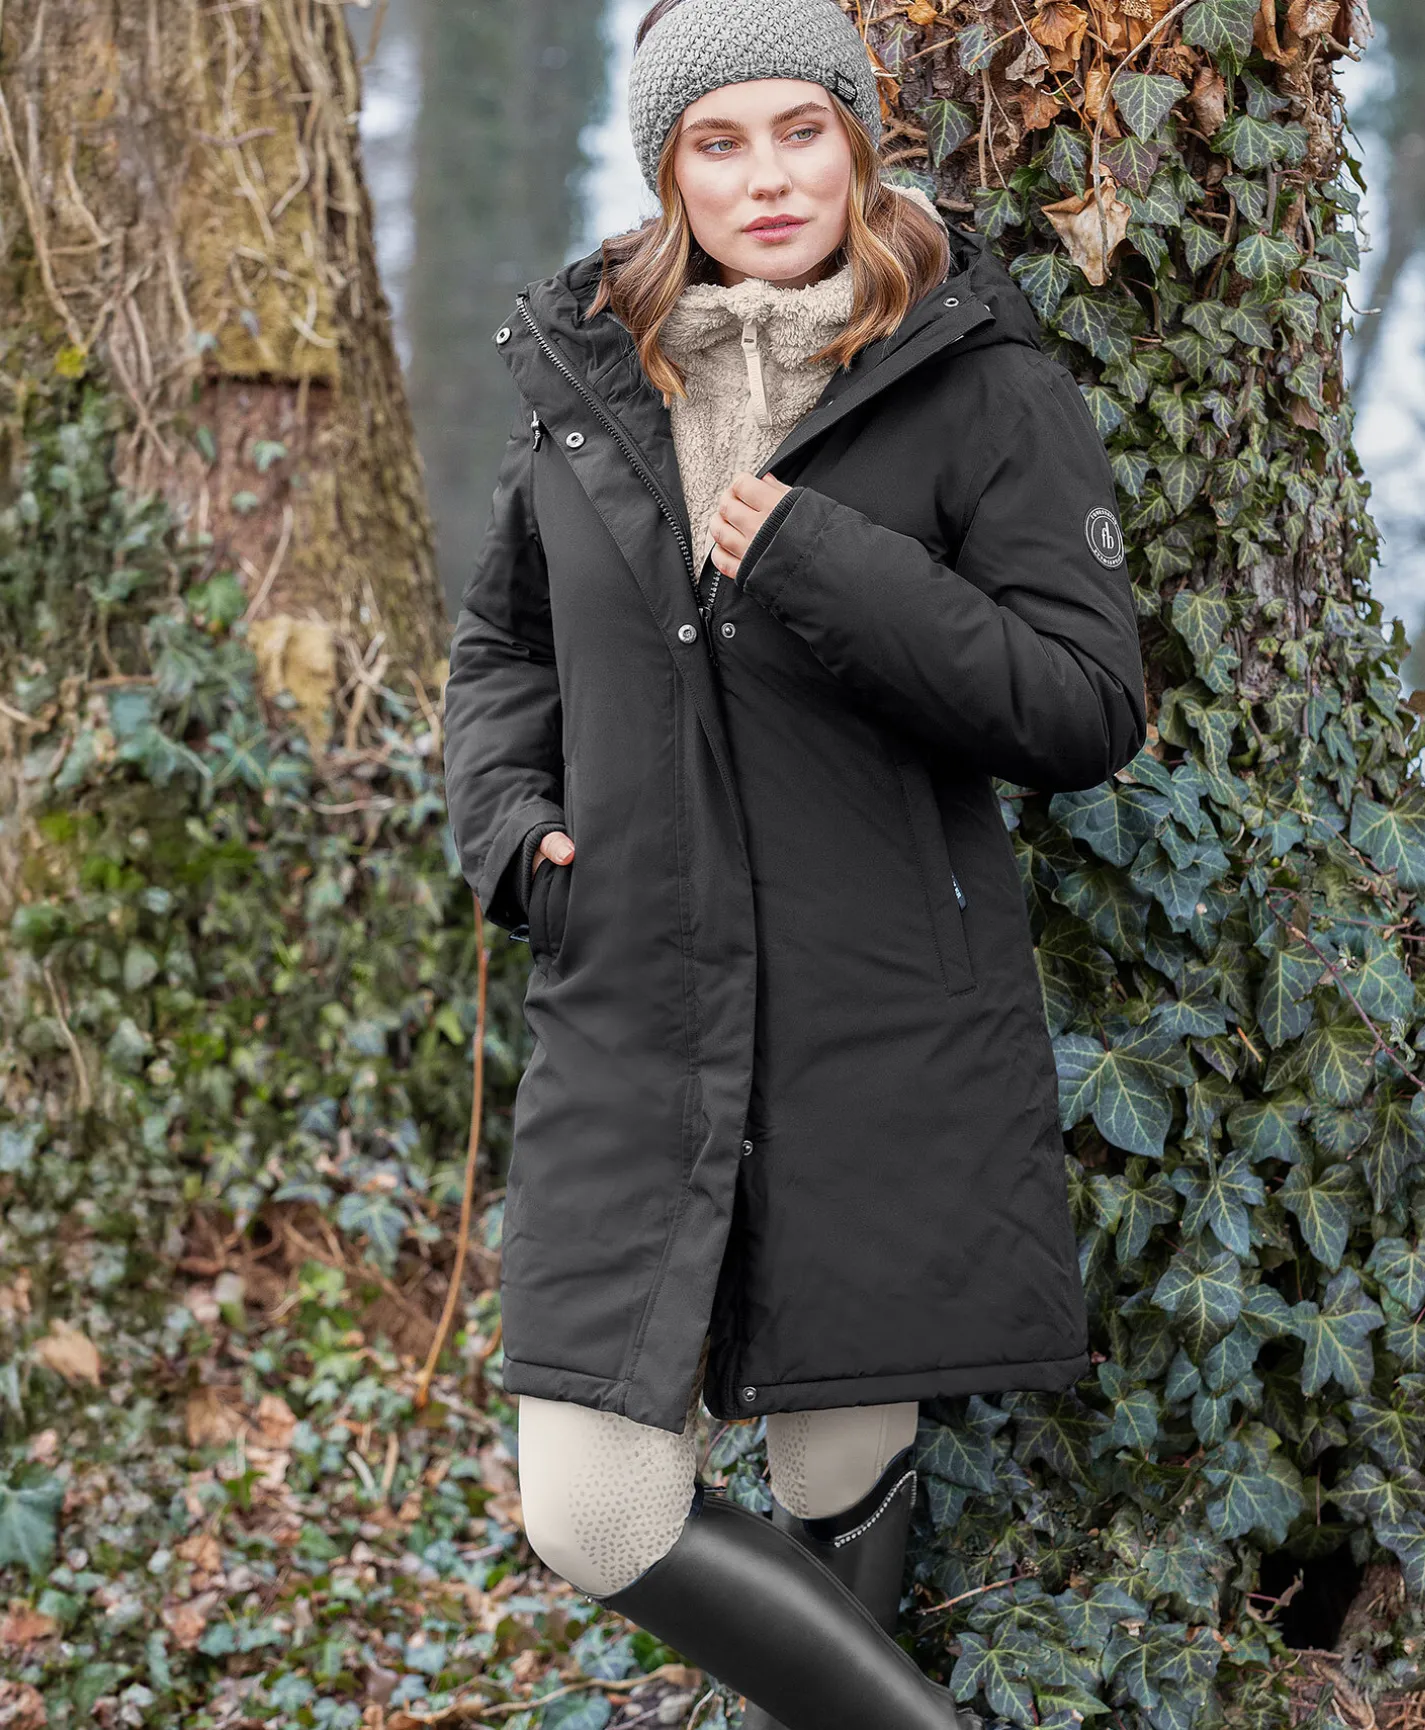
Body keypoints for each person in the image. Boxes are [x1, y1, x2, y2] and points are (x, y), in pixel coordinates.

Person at [442, 0, 1146, 1721]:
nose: (765, 177)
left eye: (799, 129)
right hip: (631, 1004)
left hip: (877, 1018)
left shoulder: (978, 380)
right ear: (667, 171)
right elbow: (504, 648)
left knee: (843, 1471)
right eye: (718, 142)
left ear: (856, 139)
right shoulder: (587, 379)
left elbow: (1082, 703)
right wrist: (512, 831)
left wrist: (825, 560)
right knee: (593, 1512)